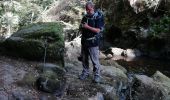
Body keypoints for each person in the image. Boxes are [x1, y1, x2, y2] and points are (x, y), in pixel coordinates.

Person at [79, 1, 104, 83]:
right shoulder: (85, 17)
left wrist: (87, 27)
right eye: (86, 10)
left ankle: (97, 75)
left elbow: (98, 30)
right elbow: (82, 27)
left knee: (95, 60)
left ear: (93, 8)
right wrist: (82, 28)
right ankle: (85, 73)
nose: (87, 11)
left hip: (93, 42)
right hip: (84, 41)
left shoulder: (98, 17)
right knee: (84, 59)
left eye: (89, 10)